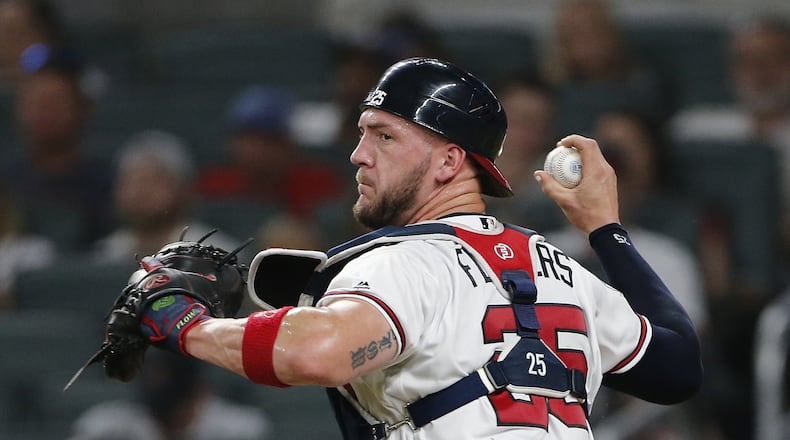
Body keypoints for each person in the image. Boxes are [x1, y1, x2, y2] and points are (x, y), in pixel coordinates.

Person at [128, 58, 702, 439]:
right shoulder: (565, 273)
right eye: (360, 134)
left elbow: (318, 352)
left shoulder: (402, 262)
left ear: (450, 162)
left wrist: (185, 325)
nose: (358, 154)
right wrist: (606, 228)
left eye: (384, 136)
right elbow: (677, 368)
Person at [197, 85, 347, 221]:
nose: (255, 150)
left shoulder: (316, 183)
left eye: (267, 140)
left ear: (288, 143)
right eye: (246, 139)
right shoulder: (215, 183)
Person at [91, 129, 241, 264]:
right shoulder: (104, 255)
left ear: (183, 189)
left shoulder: (215, 254)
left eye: (152, 181)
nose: (139, 192)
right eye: (129, 181)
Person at [69, 350, 272, 440]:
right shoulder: (109, 429)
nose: (170, 421)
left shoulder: (237, 429)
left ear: (200, 392)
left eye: (177, 406)